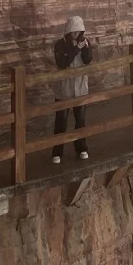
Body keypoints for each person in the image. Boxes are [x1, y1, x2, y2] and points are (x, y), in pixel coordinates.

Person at [51, 15, 93, 165]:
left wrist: (86, 48)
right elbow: (63, 62)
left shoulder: (84, 42)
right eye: (73, 32)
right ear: (68, 32)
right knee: (61, 122)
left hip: (80, 88)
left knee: (80, 121)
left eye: (78, 32)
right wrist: (76, 49)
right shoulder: (60, 45)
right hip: (64, 90)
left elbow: (88, 60)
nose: (76, 35)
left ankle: (81, 148)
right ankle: (57, 152)